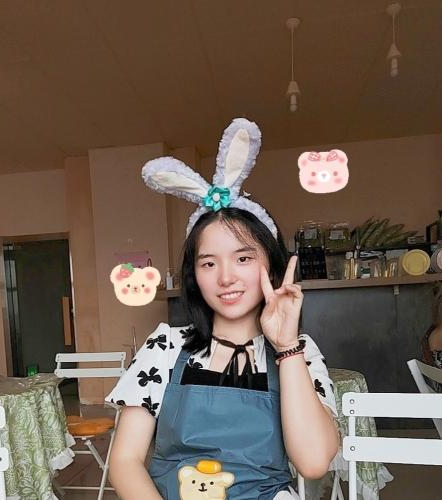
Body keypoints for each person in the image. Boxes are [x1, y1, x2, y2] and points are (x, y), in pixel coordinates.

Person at [106, 118, 339, 499]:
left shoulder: (300, 353)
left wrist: (286, 347)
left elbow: (313, 463)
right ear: (194, 276)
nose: (226, 277)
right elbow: (125, 460)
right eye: (209, 263)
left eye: (243, 258)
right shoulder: (166, 347)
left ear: (271, 266)